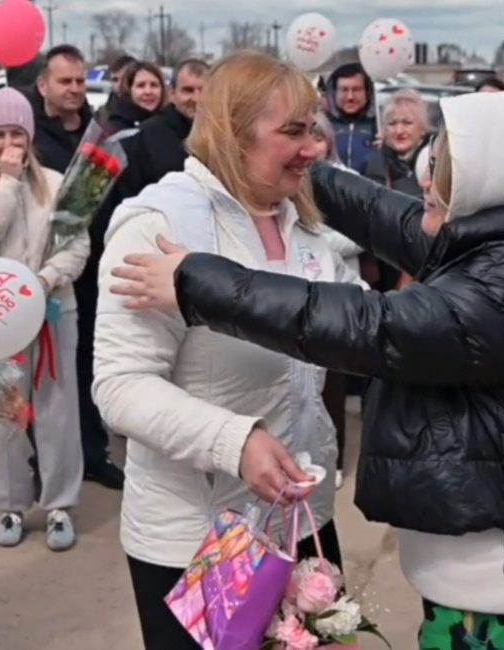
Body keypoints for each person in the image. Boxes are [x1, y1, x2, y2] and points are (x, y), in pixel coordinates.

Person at [112, 88, 504, 649]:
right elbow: (399, 220)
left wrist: (195, 281)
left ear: (497, 184)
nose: (424, 181)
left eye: (446, 169)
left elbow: (367, 325)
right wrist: (306, 167)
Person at [92, 51, 352, 649]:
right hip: (200, 538)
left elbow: (347, 325)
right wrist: (235, 442)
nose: (312, 147)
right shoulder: (161, 225)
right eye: (292, 131)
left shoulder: (306, 223)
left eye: (313, 129)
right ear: (233, 133)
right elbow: (121, 385)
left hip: (303, 520)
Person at [0, 88, 89, 552]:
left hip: (53, 310)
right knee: (6, 409)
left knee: (56, 409)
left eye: (17, 133)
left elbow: (78, 244)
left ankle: (59, 506)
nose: (9, 143)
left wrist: (47, 280)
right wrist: (7, 182)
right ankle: (10, 504)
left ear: (30, 135)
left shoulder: (55, 181)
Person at [74, 58, 208, 491]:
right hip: (143, 265)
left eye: (203, 90)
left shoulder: (204, 134)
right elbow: (88, 200)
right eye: (187, 90)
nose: (195, 98)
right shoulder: (138, 134)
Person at [310, 112, 363, 489]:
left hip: (339, 293)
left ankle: (336, 459)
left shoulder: (349, 182)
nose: (310, 147)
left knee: (333, 388)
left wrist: (311, 244)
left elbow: (361, 235)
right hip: (302, 292)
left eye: (317, 138)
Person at [30, 44, 93, 172]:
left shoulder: (99, 134)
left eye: (80, 81)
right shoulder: (29, 138)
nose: (75, 89)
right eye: (65, 82)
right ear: (43, 86)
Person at [362, 89, 429, 199]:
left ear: (422, 128)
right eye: (392, 124)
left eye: (407, 123)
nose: (399, 131)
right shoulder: (374, 163)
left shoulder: (435, 162)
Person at [324, 62, 378, 174]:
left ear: (368, 92)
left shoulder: (380, 127)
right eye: (344, 90)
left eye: (357, 89)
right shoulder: (322, 127)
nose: (350, 97)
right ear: (334, 93)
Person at [105, 60, 167, 132]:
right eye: (141, 85)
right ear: (129, 90)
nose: (148, 91)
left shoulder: (170, 123)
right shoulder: (116, 128)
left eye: (154, 85)